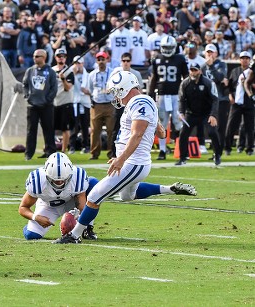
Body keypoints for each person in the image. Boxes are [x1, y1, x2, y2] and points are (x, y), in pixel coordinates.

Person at [53, 71, 197, 244]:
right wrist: (156, 129)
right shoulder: (141, 102)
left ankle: (74, 236)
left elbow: (137, 135)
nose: (115, 95)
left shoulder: (139, 102)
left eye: (116, 91)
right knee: (127, 196)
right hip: (134, 161)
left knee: (94, 196)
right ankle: (169, 189)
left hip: (133, 163)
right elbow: (160, 131)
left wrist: (120, 159)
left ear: (123, 89)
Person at [19, 152, 98, 240]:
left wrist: (79, 217)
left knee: (93, 184)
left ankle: (88, 229)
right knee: (31, 235)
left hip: (72, 203)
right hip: (48, 206)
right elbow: (23, 207)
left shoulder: (78, 176)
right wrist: (36, 217)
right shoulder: (37, 180)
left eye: (63, 180)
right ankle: (30, 226)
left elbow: (83, 206)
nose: (60, 183)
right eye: (56, 181)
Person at [148, 35, 188, 160]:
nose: (167, 49)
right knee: (162, 124)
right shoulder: (157, 59)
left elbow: (186, 77)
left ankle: (182, 150)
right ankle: (162, 151)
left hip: (176, 95)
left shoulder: (180, 59)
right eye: (165, 47)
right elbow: (154, 78)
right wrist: (150, 94)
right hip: (162, 95)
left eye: (169, 47)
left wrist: (186, 93)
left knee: (178, 123)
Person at [175, 63, 221, 166]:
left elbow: (215, 100)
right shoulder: (185, 83)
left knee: (212, 132)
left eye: (195, 70)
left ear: (200, 71)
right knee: (183, 133)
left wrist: (213, 115)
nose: (193, 72)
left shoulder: (208, 83)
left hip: (206, 113)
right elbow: (182, 100)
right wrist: (181, 112)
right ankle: (183, 157)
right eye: (191, 70)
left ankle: (217, 154)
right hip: (191, 113)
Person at [22, 49, 58, 160]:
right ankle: (29, 153)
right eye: (34, 56)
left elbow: (54, 87)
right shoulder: (30, 71)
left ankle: (50, 152)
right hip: (32, 105)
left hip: (46, 106)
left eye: (37, 56)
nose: (35, 58)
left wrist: (48, 100)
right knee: (31, 130)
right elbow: (25, 84)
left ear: (44, 57)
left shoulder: (50, 71)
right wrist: (27, 97)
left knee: (48, 129)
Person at [87, 51, 115, 160]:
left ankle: (111, 152)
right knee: (95, 130)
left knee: (111, 130)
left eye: (103, 59)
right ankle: (94, 153)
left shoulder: (112, 73)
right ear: (96, 61)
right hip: (97, 104)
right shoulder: (92, 74)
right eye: (99, 59)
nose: (101, 62)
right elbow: (90, 89)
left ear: (107, 60)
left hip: (110, 104)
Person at [52, 48, 75, 154]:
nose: (61, 58)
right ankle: (50, 149)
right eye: (59, 56)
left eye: (63, 56)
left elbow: (68, 87)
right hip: (53, 102)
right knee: (51, 128)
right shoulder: (51, 71)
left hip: (65, 102)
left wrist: (62, 78)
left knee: (65, 128)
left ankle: (63, 150)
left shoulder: (69, 72)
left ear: (66, 58)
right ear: (55, 57)